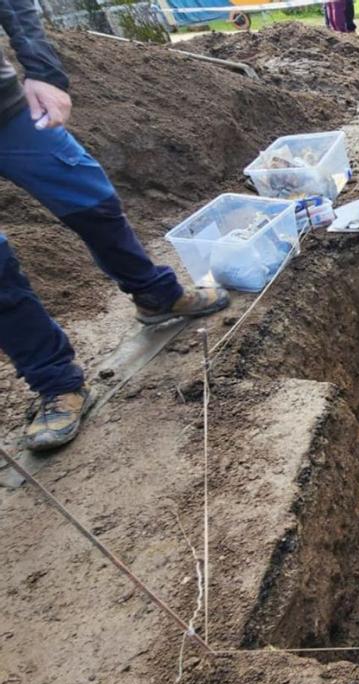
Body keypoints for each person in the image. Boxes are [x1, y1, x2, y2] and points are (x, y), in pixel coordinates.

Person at [1, 0, 230, 452]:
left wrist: (43, 71)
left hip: (6, 112)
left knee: (92, 199)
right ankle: (56, 383)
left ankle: (155, 294)